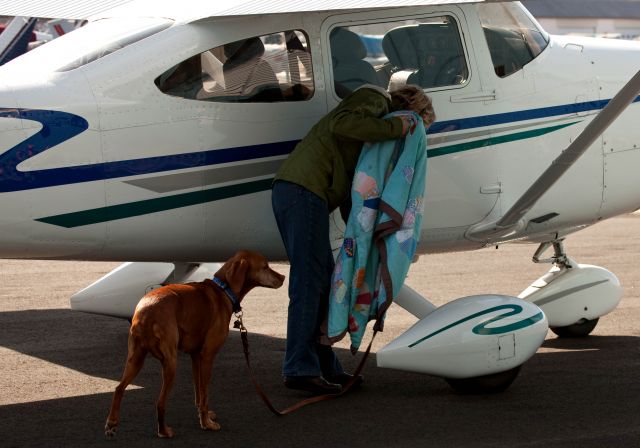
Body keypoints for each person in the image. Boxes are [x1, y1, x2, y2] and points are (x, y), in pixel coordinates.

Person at [271, 84, 435, 395]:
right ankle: (299, 367)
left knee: (323, 281)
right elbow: (341, 123)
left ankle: (324, 366)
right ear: (410, 113)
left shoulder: (372, 140)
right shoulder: (373, 100)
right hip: (301, 190)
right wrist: (395, 127)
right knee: (309, 281)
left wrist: (367, 235)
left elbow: (354, 195)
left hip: (307, 194)